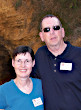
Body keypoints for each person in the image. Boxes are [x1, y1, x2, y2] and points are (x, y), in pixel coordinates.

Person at [31, 14, 81, 110]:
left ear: (62, 32)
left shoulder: (79, 55)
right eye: (47, 29)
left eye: (56, 28)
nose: (52, 32)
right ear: (42, 36)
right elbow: (25, 82)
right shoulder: (40, 56)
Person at [0, 46, 44, 110]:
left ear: (33, 63)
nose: (23, 65)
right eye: (19, 61)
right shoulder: (3, 90)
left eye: (27, 61)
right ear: (13, 63)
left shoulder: (41, 85)